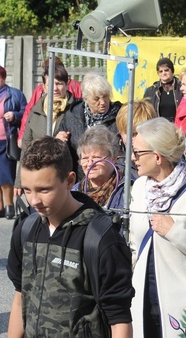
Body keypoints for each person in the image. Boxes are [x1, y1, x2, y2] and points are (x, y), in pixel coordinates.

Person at [8, 136, 134, 337]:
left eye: (44, 190)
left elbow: (119, 318)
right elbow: (20, 296)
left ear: (69, 180)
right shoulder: (26, 230)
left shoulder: (100, 238)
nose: (34, 200)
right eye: (27, 190)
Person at [129, 118, 186, 337]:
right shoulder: (140, 188)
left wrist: (174, 232)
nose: (133, 159)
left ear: (157, 156)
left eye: (137, 153)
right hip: (140, 297)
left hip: (181, 303)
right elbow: (135, 243)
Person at [59, 73, 123, 174]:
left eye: (105, 96)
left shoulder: (120, 116)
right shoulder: (72, 115)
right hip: (80, 178)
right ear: (86, 99)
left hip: (111, 176)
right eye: (96, 99)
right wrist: (59, 140)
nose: (102, 102)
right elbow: (62, 149)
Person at [18, 59, 82, 143]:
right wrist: (21, 136)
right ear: (44, 87)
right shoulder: (38, 99)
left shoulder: (75, 91)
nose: (55, 88)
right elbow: (29, 112)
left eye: (59, 83)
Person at [72, 125, 129, 211]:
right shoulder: (74, 193)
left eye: (96, 158)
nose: (90, 164)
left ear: (113, 158)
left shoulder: (127, 190)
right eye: (85, 158)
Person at [0, 66, 26, 218]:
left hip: (7, 140)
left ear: (3, 78)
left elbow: (25, 111)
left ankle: (9, 205)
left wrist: (14, 115)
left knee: (6, 174)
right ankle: (0, 207)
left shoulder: (15, 94)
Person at [143, 57, 183, 122]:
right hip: (158, 127)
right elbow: (145, 113)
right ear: (158, 73)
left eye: (166, 70)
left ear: (172, 71)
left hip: (178, 126)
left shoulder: (181, 88)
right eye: (160, 71)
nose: (163, 73)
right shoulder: (151, 91)